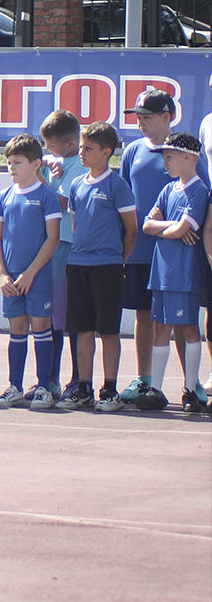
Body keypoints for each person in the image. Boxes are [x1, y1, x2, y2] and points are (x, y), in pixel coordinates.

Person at [115, 90, 210, 409]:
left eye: (147, 116)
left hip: (183, 256)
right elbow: (127, 202)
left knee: (184, 321)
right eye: (137, 116)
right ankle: (146, 381)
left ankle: (191, 383)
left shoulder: (189, 153)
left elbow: (203, 197)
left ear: (168, 116)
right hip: (143, 252)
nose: (140, 121)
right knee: (146, 317)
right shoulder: (132, 151)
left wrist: (188, 229)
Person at [58, 122, 137, 411]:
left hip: (108, 267)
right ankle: (83, 388)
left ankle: (110, 390)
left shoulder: (117, 185)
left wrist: (119, 260)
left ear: (106, 152)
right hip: (78, 264)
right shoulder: (77, 184)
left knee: (108, 330)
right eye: (80, 147)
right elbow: (76, 224)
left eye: (88, 149)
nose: (81, 152)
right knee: (81, 329)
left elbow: (131, 230)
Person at [0, 135, 63, 409]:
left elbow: (52, 239)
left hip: (38, 276)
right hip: (11, 278)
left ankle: (44, 386)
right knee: (17, 329)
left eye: (17, 162)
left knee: (41, 327)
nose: (12, 168)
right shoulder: (4, 196)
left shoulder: (47, 196)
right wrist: (1, 274)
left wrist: (31, 273)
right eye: (9, 162)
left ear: (36, 164)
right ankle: (15, 386)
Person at [138, 133, 209, 412]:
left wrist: (168, 229)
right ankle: (155, 389)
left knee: (189, 327)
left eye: (169, 157)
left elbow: (183, 229)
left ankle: (191, 389)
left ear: (188, 157)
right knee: (161, 327)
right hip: (162, 271)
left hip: (184, 272)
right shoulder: (168, 190)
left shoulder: (199, 190)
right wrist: (173, 228)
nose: (165, 162)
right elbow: (147, 225)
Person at [39, 109, 84, 395]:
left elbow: (61, 201)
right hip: (49, 246)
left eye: (52, 146)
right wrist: (46, 159)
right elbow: (33, 154)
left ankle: (78, 378)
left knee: (68, 316)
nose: (48, 151)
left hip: (66, 245)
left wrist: (38, 180)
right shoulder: (54, 161)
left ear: (70, 145)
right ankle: (51, 377)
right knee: (52, 315)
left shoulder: (78, 165)